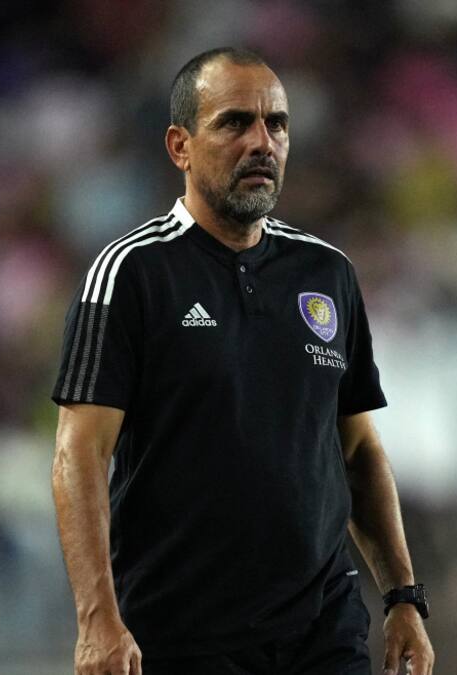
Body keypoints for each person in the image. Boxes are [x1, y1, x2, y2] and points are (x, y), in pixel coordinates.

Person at [50, 47, 434, 675]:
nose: (263, 141)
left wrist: (403, 597)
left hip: (321, 628)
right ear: (180, 146)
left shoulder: (327, 273)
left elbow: (358, 450)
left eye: (276, 123)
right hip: (181, 633)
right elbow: (79, 455)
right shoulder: (130, 274)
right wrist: (98, 621)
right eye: (234, 123)